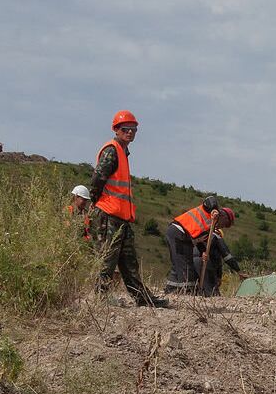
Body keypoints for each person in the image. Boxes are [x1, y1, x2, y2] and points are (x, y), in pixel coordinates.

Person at [87, 110, 167, 307]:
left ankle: (143, 299)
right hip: (108, 214)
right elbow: (97, 178)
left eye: (133, 129)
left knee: (129, 262)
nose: (130, 132)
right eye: (126, 129)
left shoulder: (122, 152)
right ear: (116, 130)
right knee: (108, 259)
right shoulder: (112, 150)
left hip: (120, 217)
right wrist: (96, 202)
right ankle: (100, 298)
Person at [164, 197, 228, 290]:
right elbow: (210, 200)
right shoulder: (209, 212)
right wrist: (214, 209)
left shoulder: (209, 229)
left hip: (183, 237)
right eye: (226, 223)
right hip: (178, 233)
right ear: (223, 216)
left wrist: (203, 253)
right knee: (185, 266)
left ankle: (171, 289)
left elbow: (200, 242)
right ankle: (186, 292)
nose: (224, 226)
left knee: (179, 264)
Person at [200, 227, 247, 296]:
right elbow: (227, 257)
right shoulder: (216, 237)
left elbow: (218, 262)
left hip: (194, 266)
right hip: (207, 267)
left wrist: (219, 277)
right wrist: (239, 271)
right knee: (213, 294)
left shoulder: (199, 236)